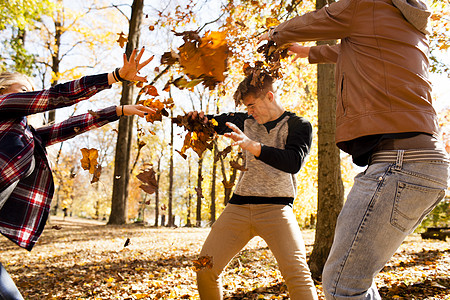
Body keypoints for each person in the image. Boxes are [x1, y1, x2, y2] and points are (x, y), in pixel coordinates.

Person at [259, 0, 450, 299]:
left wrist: (275, 34)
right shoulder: (408, 21)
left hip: (400, 162)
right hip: (426, 162)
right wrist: (310, 52)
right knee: (355, 278)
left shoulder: (366, 4)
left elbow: (317, 19)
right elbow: (362, 51)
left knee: (341, 282)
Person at [0, 48, 155, 300]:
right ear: (3, 90)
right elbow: (54, 96)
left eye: (30, 90)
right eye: (23, 89)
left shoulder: (26, 134)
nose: (28, 95)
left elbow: (66, 127)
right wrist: (114, 76)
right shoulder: (3, 105)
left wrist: (119, 110)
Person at [193, 73, 318, 300]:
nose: (249, 111)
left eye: (252, 106)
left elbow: (293, 162)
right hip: (238, 208)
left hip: (277, 210)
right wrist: (197, 120)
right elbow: (212, 122)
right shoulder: (245, 121)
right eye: (246, 107)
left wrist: (253, 146)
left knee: (297, 275)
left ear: (269, 96)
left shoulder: (299, 125)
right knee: (205, 268)